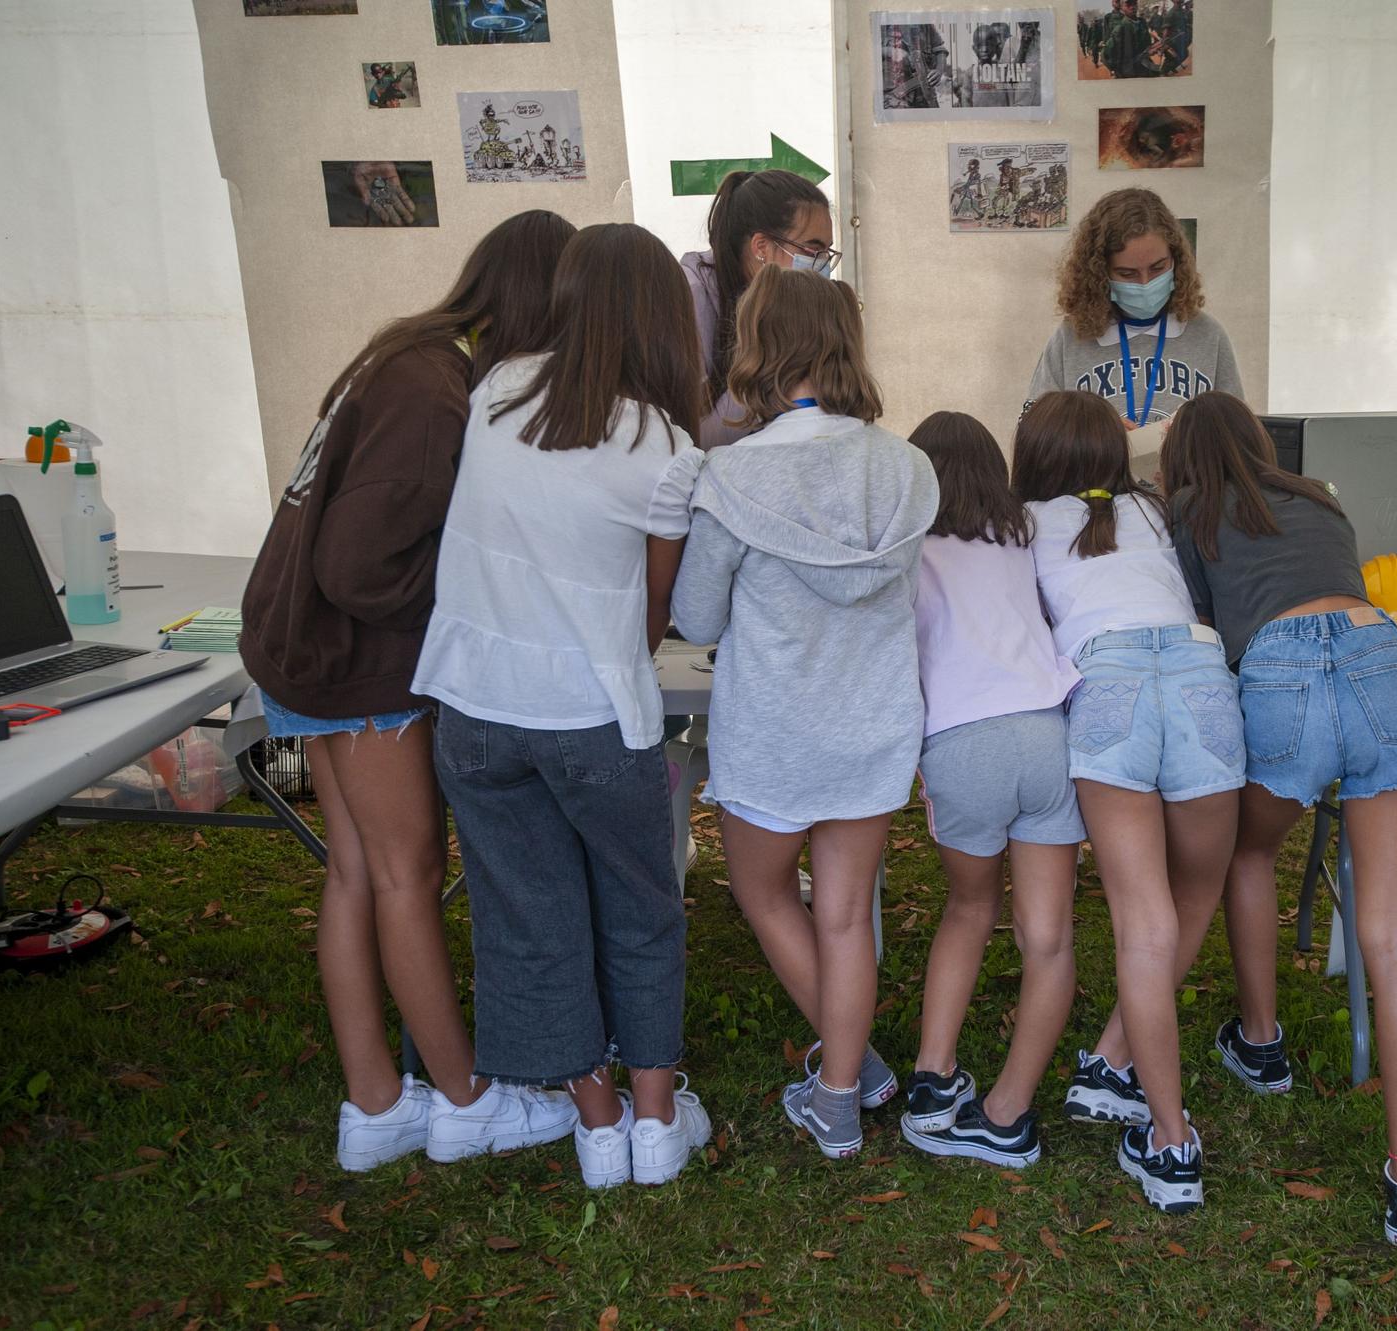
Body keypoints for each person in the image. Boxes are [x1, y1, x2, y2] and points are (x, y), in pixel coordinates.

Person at [240, 208, 576, 1173]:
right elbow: (362, 564)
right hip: (355, 662)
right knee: (406, 871)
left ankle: (376, 1102)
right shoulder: (434, 394)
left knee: (354, 871)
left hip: (298, 640)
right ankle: (466, 1099)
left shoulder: (407, 351)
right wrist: (470, 596)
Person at [412, 223, 710, 1189]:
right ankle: (656, 1121)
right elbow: (658, 611)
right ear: (666, 321)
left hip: (473, 712)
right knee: (640, 907)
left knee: (524, 910)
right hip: (592, 715)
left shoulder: (494, 391)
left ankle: (594, 1117)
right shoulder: (665, 448)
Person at [1162, 391, 1397, 1249]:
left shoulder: (1187, 512)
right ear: (1261, 445)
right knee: (1396, 936)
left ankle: (1261, 1042)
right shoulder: (1320, 496)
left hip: (1277, 673)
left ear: (1183, 458)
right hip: (1381, 657)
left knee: (1246, 853)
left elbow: (1200, 635)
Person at [671, 266, 938, 1160]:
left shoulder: (732, 474)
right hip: (872, 726)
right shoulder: (907, 469)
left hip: (776, 731)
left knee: (761, 889)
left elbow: (698, 618)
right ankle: (842, 1081)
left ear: (759, 346)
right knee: (845, 912)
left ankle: (844, 1078)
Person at [1014, 390, 1243, 1213]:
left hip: (1108, 685)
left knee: (1140, 919)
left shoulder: (1027, 523)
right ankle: (1113, 1067)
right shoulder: (1153, 509)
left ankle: (1170, 1137)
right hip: (1201, 679)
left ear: (1034, 457)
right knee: (1198, 888)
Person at [900, 412, 1082, 1168]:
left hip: (960, 742)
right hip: (1045, 732)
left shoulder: (907, 552)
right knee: (1048, 937)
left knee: (970, 908)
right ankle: (1006, 1114)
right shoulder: (1021, 538)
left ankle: (932, 1078)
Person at [1025, 188, 1242, 435]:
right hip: (1097, 472)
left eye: (1158, 268)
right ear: (1100, 273)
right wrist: (1094, 431)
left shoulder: (1207, 334)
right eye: (1127, 274)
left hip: (1186, 473)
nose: (1145, 283)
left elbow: (1237, 432)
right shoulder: (1071, 338)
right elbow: (1033, 430)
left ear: (1176, 260)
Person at [681, 169, 839, 450]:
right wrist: (771, 352)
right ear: (762, 247)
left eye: (827, 252)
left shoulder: (798, 307)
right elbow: (696, 440)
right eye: (812, 250)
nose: (822, 265)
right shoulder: (692, 296)